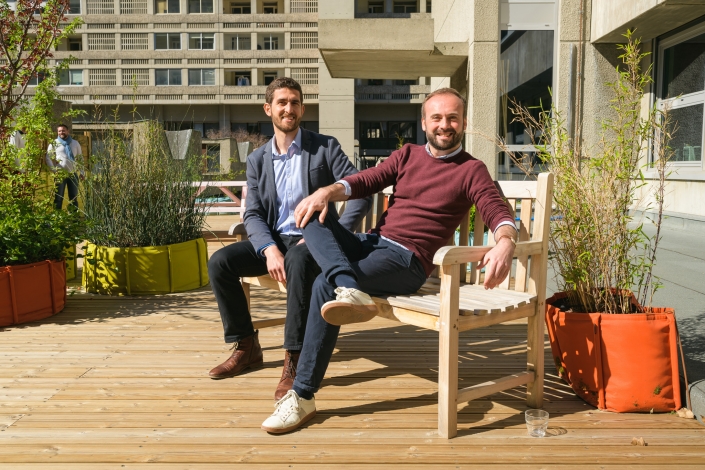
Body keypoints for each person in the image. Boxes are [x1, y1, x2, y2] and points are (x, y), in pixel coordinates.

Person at [260, 87, 519, 434]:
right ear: (424, 122)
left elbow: (495, 208)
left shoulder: (471, 170)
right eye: (437, 118)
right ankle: (348, 286)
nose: (445, 125)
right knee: (311, 213)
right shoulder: (407, 155)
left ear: (464, 122)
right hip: (372, 244)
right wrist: (326, 192)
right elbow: (365, 181)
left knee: (324, 282)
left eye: (453, 118)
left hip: (407, 261)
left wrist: (505, 241)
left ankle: (302, 395)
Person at [207, 77, 371, 401]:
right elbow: (252, 214)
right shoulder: (257, 160)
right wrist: (268, 249)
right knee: (220, 262)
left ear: (302, 109)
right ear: (269, 109)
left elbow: (360, 192)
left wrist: (336, 233)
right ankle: (246, 346)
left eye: (295, 102)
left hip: (315, 239)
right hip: (277, 239)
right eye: (282, 102)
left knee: (298, 259)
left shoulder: (325, 148)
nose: (289, 108)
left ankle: (293, 360)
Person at [46, 124, 83, 211]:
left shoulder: (75, 143)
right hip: (60, 174)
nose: (61, 132)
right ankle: (57, 218)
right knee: (58, 197)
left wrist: (82, 172)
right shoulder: (54, 143)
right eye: (59, 131)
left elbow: (80, 158)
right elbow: (48, 157)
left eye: (63, 130)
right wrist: (54, 170)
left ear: (67, 131)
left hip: (72, 174)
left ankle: (74, 219)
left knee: (73, 197)